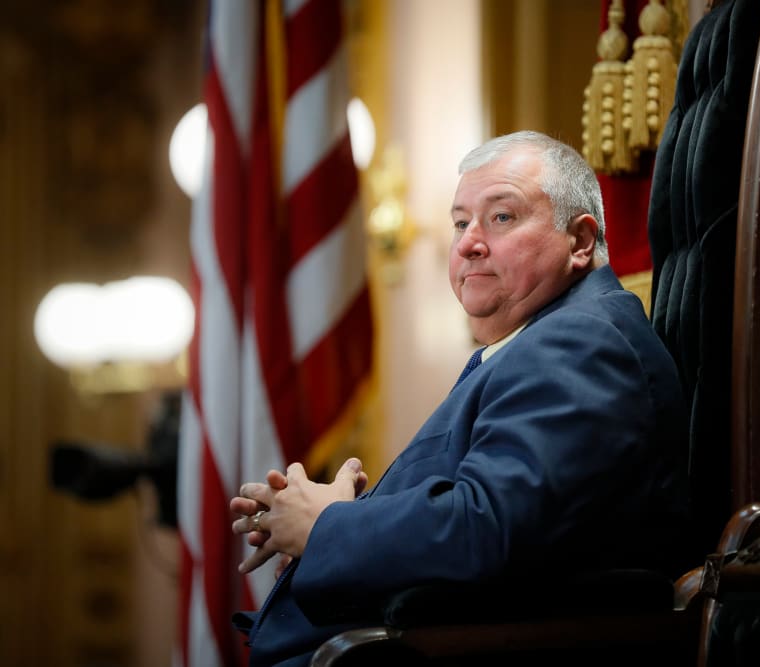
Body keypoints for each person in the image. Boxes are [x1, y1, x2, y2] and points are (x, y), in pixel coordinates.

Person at [230, 130, 692, 666]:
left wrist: (326, 527)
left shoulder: (579, 342)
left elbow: (489, 528)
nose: (469, 242)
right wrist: (336, 521)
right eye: (459, 222)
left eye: (502, 217)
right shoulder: (541, 342)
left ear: (581, 241)